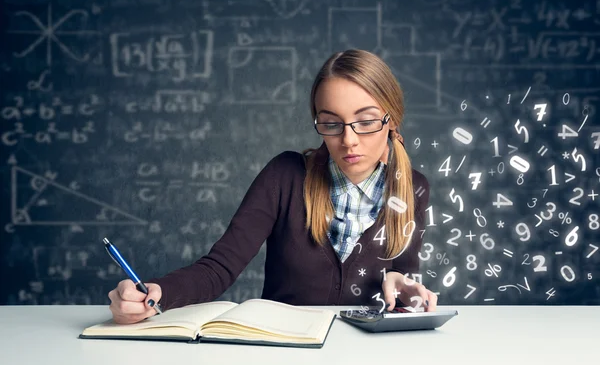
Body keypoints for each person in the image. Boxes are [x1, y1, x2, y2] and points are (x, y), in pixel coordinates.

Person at [108, 49, 436, 325]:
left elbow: (404, 280)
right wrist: (155, 292)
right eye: (331, 124)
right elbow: (219, 268)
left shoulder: (412, 188)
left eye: (365, 121)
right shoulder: (285, 176)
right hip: (284, 347)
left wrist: (399, 284)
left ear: (391, 120)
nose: (348, 140)